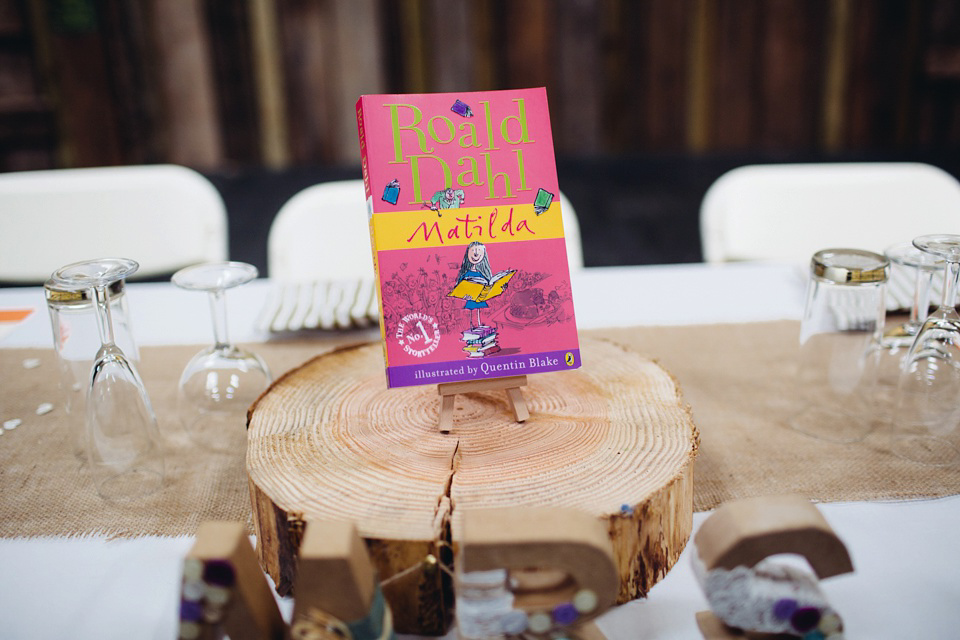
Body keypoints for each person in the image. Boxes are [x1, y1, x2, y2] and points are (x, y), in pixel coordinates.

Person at [454, 241, 493, 327]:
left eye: (479, 251)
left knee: (478, 311)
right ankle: (473, 326)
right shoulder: (466, 273)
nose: (476, 254)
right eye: (473, 251)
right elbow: (460, 286)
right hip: (471, 296)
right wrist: (463, 295)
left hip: (479, 296)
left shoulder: (482, 273)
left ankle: (479, 326)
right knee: (472, 312)